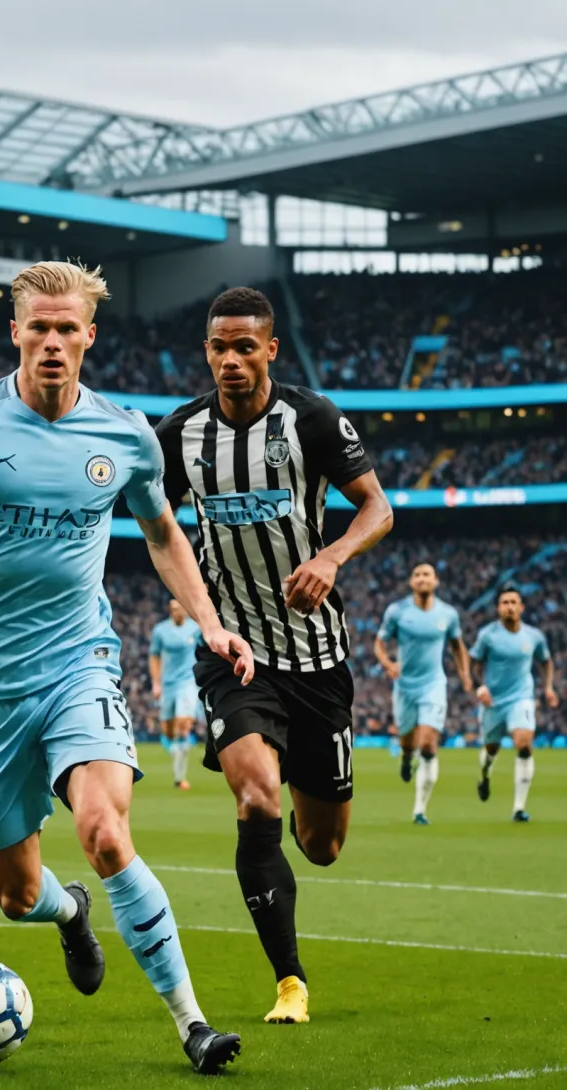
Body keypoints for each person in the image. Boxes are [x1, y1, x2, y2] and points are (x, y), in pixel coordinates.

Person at [0, 261, 251, 1075]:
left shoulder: (125, 434)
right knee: (16, 895)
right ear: (15, 332)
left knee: (104, 832)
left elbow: (163, 535)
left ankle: (192, 1024)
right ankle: (68, 912)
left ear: (89, 336)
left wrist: (212, 623)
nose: (51, 342)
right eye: (37, 327)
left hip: (81, 663)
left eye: (66, 328)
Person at [155, 287, 393, 1025]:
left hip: (317, 657)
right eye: (219, 347)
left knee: (321, 845)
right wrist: (204, 615)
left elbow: (378, 507)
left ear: (270, 350)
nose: (231, 360)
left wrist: (331, 557)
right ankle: (290, 981)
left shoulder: (310, 419)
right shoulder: (180, 436)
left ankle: (299, 790)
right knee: (255, 797)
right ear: (207, 352)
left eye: (245, 347)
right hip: (235, 652)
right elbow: (157, 527)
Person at [374, 561, 471, 824]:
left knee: (427, 744)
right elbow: (379, 643)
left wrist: (464, 674)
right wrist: (388, 663)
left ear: (436, 581)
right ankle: (406, 758)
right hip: (404, 686)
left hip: (433, 684)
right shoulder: (397, 611)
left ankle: (419, 810)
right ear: (411, 582)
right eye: (417, 574)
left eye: (427, 574)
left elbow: (458, 646)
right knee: (407, 743)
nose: (422, 578)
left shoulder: (447, 614)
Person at [471, 585, 558, 822]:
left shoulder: (533, 636)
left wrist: (548, 687)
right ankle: (485, 773)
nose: (509, 607)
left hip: (522, 698)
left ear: (522, 607)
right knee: (491, 748)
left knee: (524, 743)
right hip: (493, 702)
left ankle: (519, 808)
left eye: (513, 602)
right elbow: (475, 664)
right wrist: (480, 686)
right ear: (498, 608)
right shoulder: (487, 635)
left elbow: (546, 661)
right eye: (505, 603)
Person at [149, 599, 201, 788]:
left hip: (187, 682)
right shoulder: (160, 630)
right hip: (167, 684)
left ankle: (180, 778)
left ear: (185, 610)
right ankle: (176, 750)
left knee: (183, 725)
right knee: (168, 731)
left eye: (179, 609)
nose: (177, 612)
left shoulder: (196, 629)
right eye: (173, 609)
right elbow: (154, 656)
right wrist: (156, 683)